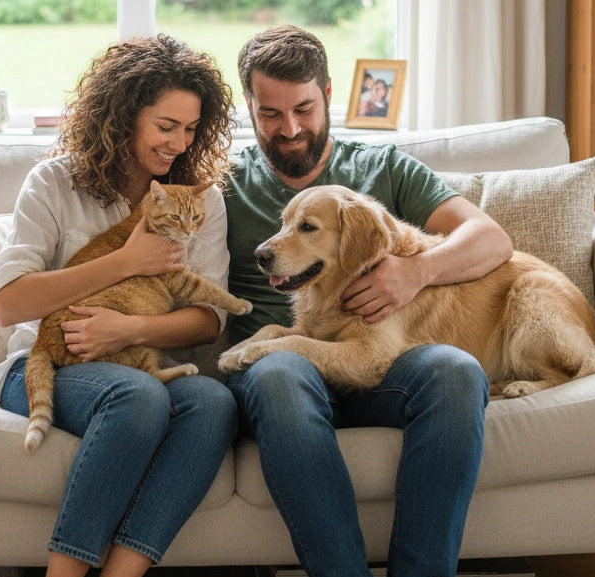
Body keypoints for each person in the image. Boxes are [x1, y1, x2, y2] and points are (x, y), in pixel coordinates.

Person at [222, 25, 514, 577]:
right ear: (250, 108)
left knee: (456, 370)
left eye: (304, 109)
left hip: (386, 363)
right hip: (281, 370)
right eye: (270, 114)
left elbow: (492, 240)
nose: (289, 129)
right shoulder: (225, 185)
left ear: (328, 94)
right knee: (281, 374)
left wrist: (417, 271)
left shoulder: (386, 169)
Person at [0, 34, 237, 577]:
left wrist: (130, 329)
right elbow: (7, 304)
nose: (179, 144)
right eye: (166, 127)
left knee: (213, 403)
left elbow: (208, 322)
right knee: (138, 396)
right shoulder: (54, 182)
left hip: (131, 358)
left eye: (190, 129)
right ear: (122, 116)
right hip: (48, 365)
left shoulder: (199, 199)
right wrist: (125, 262)